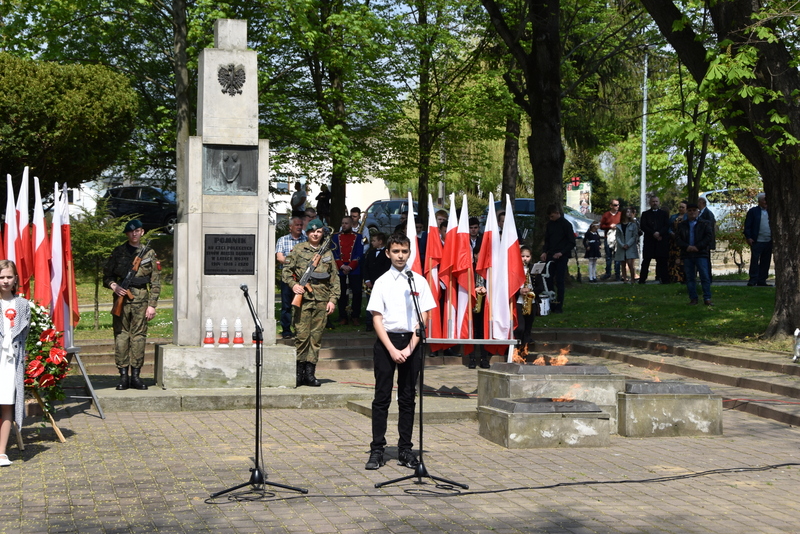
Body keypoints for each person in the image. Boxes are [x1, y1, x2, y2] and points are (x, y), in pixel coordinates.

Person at [365, 233, 436, 470]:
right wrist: (393, 349)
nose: (400, 255)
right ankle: (377, 449)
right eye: (395, 251)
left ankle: (405, 449)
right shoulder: (382, 282)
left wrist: (409, 347)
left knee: (408, 397)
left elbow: (424, 316)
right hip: (387, 342)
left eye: (404, 251)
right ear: (387, 253)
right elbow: (377, 318)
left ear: (409, 253)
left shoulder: (418, 280)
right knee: (382, 397)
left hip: (412, 342)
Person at [104, 219, 161, 391]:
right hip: (121, 300)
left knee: (138, 338)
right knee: (121, 337)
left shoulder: (149, 253)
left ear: (142, 232)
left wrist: (152, 305)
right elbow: (107, 276)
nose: (134, 234)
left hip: (142, 300)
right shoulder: (118, 252)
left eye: (137, 231)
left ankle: (135, 376)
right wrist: (114, 286)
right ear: (127, 234)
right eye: (131, 232)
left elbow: (156, 282)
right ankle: (123, 376)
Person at [282, 219, 340, 386]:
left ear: (322, 233)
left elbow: (334, 279)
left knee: (316, 338)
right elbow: (286, 271)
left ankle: (310, 374)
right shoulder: (299, 250)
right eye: (312, 231)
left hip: (322, 300)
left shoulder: (327, 253)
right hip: (304, 301)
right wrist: (294, 286)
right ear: (307, 233)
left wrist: (332, 300)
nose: (315, 234)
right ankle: (298, 373)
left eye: (319, 232)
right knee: (301, 336)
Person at [0, 260, 30, 467]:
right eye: (1, 277)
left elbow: (24, 334)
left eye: (9, 277)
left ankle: (1, 452)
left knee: (7, 403)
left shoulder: (22, 305)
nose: (5, 280)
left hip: (12, 363)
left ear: (15, 279)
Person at [275, 217, 307, 339]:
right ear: (290, 227)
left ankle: (300, 329)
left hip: (302, 277)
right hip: (288, 278)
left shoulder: (305, 240)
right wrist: (293, 262)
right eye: (296, 225)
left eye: (300, 225)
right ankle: (286, 330)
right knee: (286, 305)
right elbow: (280, 257)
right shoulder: (282, 240)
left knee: (302, 305)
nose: (299, 227)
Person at [676, 203, 714, 305]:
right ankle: (693, 298)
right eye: (690, 210)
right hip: (687, 254)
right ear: (687, 212)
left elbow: (708, 237)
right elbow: (678, 239)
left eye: (694, 210)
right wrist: (687, 246)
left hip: (701, 253)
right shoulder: (682, 225)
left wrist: (697, 247)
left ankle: (707, 298)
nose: (692, 212)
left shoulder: (705, 223)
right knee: (690, 277)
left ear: (698, 211)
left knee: (704, 276)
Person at [540, 205, 575, 313]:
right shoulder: (550, 225)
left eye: (552, 216)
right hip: (551, 254)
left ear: (557, 213)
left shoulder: (566, 225)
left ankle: (559, 305)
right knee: (548, 279)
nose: (551, 218)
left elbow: (571, 242)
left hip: (561, 256)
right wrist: (544, 252)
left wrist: (562, 252)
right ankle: (551, 303)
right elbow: (547, 240)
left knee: (559, 280)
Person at [332, 216, 365, 326]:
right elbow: (334, 252)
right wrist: (341, 266)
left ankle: (355, 316)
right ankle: (343, 316)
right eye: (343, 223)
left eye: (346, 223)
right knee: (341, 294)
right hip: (340, 269)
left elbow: (359, 253)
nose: (344, 225)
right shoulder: (336, 237)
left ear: (351, 224)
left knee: (357, 293)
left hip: (354, 269)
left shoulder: (358, 237)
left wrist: (350, 266)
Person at [362, 232, 392, 332]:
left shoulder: (387, 254)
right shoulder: (370, 253)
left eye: (374, 241)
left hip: (382, 283)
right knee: (370, 302)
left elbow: (386, 268)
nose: (372, 243)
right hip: (370, 282)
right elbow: (365, 266)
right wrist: (367, 279)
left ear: (380, 242)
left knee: (383, 303)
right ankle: (369, 323)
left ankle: (382, 323)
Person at [639, 195, 671, 284]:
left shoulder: (663, 214)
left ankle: (665, 280)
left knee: (662, 261)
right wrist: (653, 233)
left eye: (656, 201)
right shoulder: (645, 214)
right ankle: (642, 280)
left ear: (659, 202)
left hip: (661, 240)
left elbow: (666, 225)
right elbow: (643, 226)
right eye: (653, 201)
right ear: (650, 203)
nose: (655, 203)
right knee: (646, 261)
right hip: (649, 240)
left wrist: (659, 233)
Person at [743, 193, 772, 286]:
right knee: (755, 260)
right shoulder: (753, 211)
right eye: (764, 200)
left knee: (766, 261)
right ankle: (753, 279)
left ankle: (762, 280)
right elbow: (748, 225)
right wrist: (748, 237)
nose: (766, 202)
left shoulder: (771, 211)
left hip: (768, 240)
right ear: (759, 201)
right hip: (757, 240)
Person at [514, 246, 536, 354]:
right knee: (520, 328)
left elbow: (540, 286)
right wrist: (520, 291)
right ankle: (516, 349)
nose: (525, 259)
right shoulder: (515, 269)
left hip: (531, 302)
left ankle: (524, 352)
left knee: (528, 328)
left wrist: (531, 290)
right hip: (519, 301)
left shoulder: (534, 269)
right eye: (522, 256)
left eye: (527, 256)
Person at [614, 207, 640, 284]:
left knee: (630, 263)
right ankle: (624, 279)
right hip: (621, 246)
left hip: (630, 247)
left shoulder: (633, 225)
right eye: (627, 212)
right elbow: (617, 236)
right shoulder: (619, 225)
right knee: (623, 263)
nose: (629, 213)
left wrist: (628, 244)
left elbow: (634, 236)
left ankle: (632, 279)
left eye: (630, 212)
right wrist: (622, 244)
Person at [600, 199, 622, 280]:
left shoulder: (621, 214)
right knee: (608, 256)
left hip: (618, 238)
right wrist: (609, 226)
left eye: (618, 205)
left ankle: (617, 274)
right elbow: (601, 226)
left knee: (617, 256)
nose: (617, 207)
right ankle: (608, 273)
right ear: (611, 206)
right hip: (608, 238)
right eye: (615, 205)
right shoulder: (606, 215)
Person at [668, 201, 688, 283]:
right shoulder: (673, 217)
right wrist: (671, 232)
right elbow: (668, 227)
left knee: (681, 260)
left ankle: (682, 278)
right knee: (672, 259)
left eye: (683, 207)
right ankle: (673, 278)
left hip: (683, 241)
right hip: (673, 242)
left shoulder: (687, 217)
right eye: (680, 207)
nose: (681, 209)